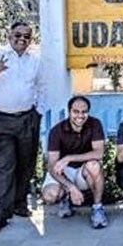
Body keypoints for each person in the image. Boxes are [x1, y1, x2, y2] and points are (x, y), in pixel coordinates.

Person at [0, 21, 44, 238]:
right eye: (18, 35)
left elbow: (41, 86)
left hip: (27, 119)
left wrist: (38, 111)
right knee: (3, 168)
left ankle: (19, 204)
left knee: (26, 164)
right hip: (0, 120)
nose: (22, 39)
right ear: (9, 36)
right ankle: (0, 216)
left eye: (26, 36)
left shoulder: (34, 60)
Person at [41, 95, 108, 228]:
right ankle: (66, 198)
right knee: (50, 196)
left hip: (83, 171)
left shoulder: (95, 124)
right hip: (63, 171)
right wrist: (70, 187)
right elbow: (52, 165)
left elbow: (99, 153)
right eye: (76, 111)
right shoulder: (57, 131)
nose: (80, 116)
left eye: (84, 112)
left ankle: (97, 208)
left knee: (94, 165)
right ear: (69, 111)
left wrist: (69, 158)